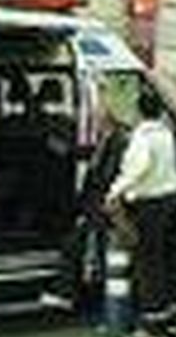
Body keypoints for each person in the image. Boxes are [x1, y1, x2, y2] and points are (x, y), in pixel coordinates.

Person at [106, 88, 176, 337]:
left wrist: (114, 191)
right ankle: (169, 323)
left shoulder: (142, 137)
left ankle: (152, 329)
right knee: (165, 262)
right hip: (171, 200)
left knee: (148, 266)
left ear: (139, 112)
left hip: (150, 205)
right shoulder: (166, 133)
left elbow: (136, 169)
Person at [42, 103, 127, 312]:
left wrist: (91, 203)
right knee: (86, 247)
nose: (94, 125)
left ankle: (67, 294)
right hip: (94, 203)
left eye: (97, 120)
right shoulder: (104, 140)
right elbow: (88, 154)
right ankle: (78, 294)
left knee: (76, 245)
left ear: (107, 121)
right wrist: (65, 149)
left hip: (102, 204)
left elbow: (106, 175)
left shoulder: (117, 142)